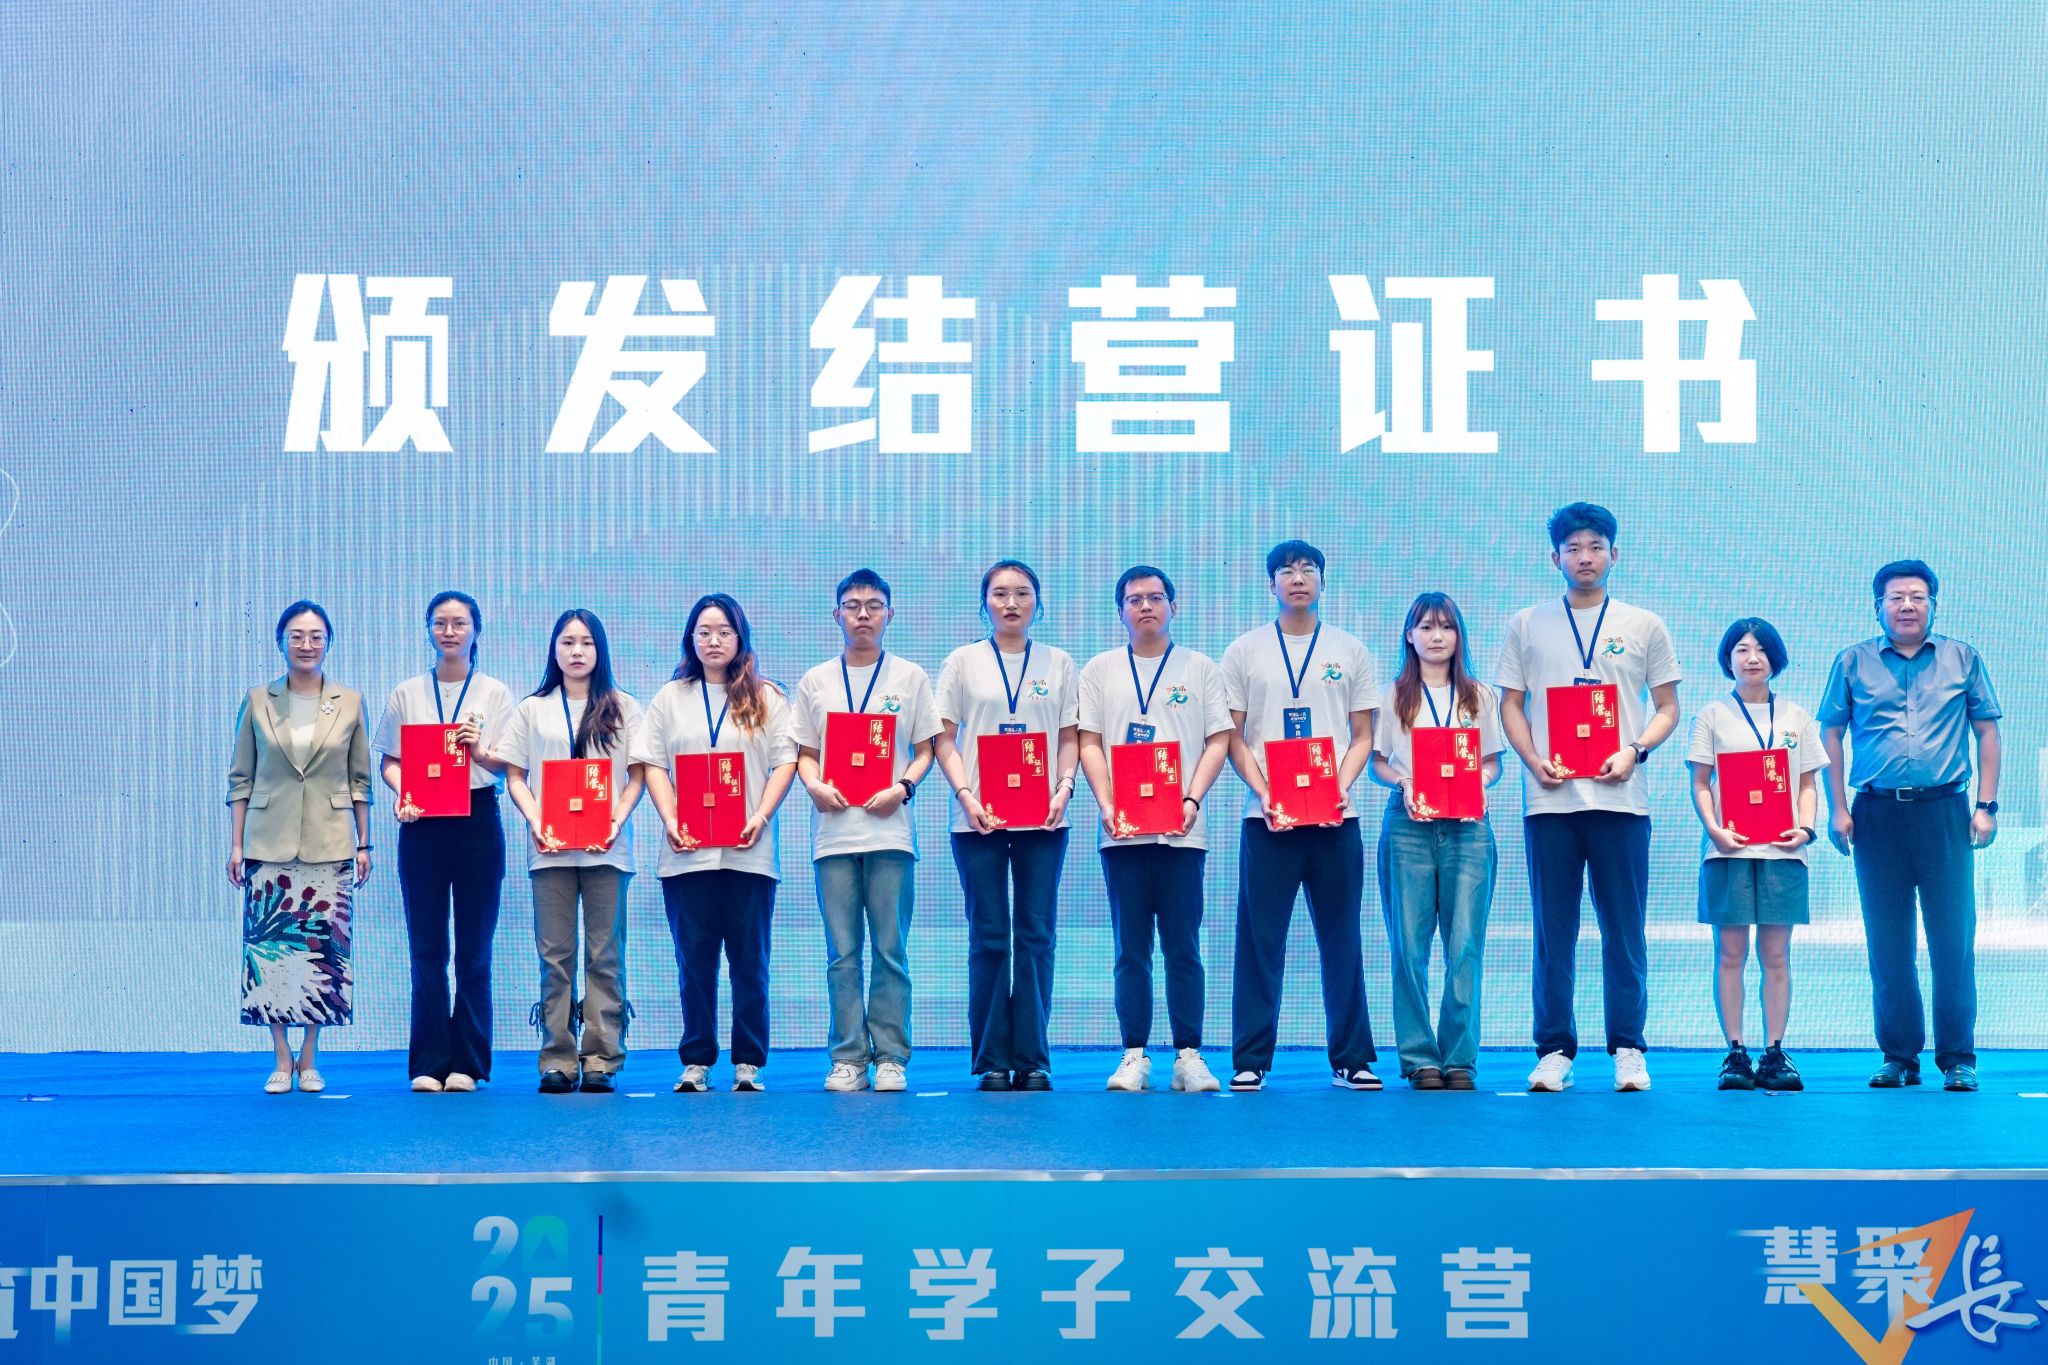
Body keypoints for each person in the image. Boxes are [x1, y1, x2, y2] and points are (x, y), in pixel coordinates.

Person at [1497, 502, 1680, 1094]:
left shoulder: (1644, 624)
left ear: (1614, 554)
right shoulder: (1527, 623)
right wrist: (1533, 760)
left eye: (1596, 546)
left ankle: (1628, 1047)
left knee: (1624, 931)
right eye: (1573, 548)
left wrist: (1634, 751)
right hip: (1550, 801)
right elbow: (1510, 705)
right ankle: (1554, 1050)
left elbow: (1668, 707)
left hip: (1620, 800)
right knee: (1553, 933)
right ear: (1555, 558)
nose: (1585, 557)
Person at [1817, 560, 2002, 1092]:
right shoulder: (1852, 662)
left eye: (1917, 597)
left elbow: (1987, 733)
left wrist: (1987, 806)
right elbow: (1830, 734)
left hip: (1945, 812)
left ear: (1933, 605)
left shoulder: (1962, 658)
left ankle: (1958, 1057)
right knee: (1888, 942)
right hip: (1876, 814)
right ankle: (1899, 1056)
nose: (1906, 606)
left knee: (1953, 941)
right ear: (1878, 606)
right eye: (1895, 597)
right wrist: (1837, 808)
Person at [1219, 539, 1382, 1092]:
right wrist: (1264, 791)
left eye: (1308, 569)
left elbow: (1363, 736)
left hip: (1336, 817)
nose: (1297, 578)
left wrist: (1338, 787)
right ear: (1271, 584)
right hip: (1267, 819)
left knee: (1342, 939)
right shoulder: (1244, 650)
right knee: (1260, 940)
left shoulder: (1349, 649)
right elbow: (1234, 736)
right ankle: (1250, 1059)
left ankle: (1353, 1059)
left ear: (1321, 581)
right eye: (1286, 571)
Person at [634, 594, 799, 1093]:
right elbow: (652, 764)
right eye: (704, 632)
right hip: (686, 854)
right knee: (695, 965)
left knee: (750, 965)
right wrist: (670, 818)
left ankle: (749, 1061)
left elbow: (785, 761)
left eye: (724, 631)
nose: (713, 641)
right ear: (691, 638)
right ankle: (697, 1060)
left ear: (739, 637)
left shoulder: (766, 697)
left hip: (749, 853)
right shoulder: (670, 698)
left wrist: (761, 815)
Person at [1077, 565, 1232, 1092]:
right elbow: (1089, 742)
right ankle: (1134, 1055)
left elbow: (1218, 740)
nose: (1146, 606)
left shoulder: (1200, 668)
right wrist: (1106, 802)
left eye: (1156, 597)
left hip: (1182, 832)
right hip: (1121, 832)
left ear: (1173, 606)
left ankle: (1189, 1056)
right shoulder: (1100, 670)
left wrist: (1191, 799)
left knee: (1183, 947)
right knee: (1130, 950)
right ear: (1120, 611)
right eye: (1134, 599)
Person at [789, 569, 941, 1093]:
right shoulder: (816, 681)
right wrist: (813, 786)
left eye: (874, 605)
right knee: (842, 953)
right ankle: (848, 1058)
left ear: (889, 614)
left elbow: (925, 750)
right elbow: (805, 753)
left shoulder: (910, 677)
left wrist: (902, 787)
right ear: (837, 614)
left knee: (890, 950)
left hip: (890, 833)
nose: (862, 614)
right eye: (852, 605)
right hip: (834, 834)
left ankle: (892, 1056)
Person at [937, 559, 1082, 1092]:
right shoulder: (962, 662)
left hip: (1044, 818)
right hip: (978, 819)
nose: (1011, 602)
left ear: (1037, 603)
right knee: (990, 935)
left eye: (1022, 592)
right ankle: (992, 1060)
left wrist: (1064, 788)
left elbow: (1069, 735)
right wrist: (966, 795)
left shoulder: (1059, 663)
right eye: (1000, 593)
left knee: (1037, 934)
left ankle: (1034, 1059)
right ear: (985, 603)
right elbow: (944, 737)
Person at [493, 609, 645, 1094]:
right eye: (567, 642)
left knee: (605, 955)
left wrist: (616, 822)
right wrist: (537, 822)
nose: (577, 652)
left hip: (607, 851)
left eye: (586, 643)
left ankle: (601, 1057)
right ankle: (557, 1057)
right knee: (555, 956)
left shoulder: (623, 707)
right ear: (554, 650)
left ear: (600, 650)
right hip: (551, 851)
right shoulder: (533, 709)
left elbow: (638, 775)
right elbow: (515, 775)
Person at [226, 600, 373, 1094]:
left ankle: (310, 1056)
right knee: (269, 952)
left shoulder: (349, 701)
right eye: (296, 635)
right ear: (281, 641)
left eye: (315, 636)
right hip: (267, 842)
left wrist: (365, 843)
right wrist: (236, 845)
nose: (306, 644)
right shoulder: (257, 700)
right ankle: (280, 1055)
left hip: (329, 842)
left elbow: (359, 780)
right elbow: (241, 779)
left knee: (321, 951)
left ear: (328, 642)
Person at [373, 591, 514, 1094]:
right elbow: (389, 760)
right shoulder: (406, 693)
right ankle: (429, 1062)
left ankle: (468, 1064)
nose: (449, 632)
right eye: (440, 623)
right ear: (429, 630)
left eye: (459, 623)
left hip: (477, 821)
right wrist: (402, 792)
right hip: (422, 823)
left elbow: (507, 765)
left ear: (476, 630)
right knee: (427, 948)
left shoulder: (495, 693)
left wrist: (480, 751)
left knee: (474, 950)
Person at [1368, 593, 1502, 1091]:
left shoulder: (1479, 696)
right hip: (1409, 825)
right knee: (1409, 946)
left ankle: (1460, 1058)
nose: (1437, 635)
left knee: (1465, 945)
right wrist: (1403, 780)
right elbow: (1378, 762)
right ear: (1410, 635)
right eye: (1426, 626)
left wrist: (1479, 781)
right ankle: (1419, 1057)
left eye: (1446, 626)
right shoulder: (1392, 695)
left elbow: (1492, 762)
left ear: (1459, 635)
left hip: (1467, 825)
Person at [1686, 618, 1824, 1092]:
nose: (1752, 658)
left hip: (1784, 853)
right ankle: (1736, 1052)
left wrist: (1806, 829)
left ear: (1775, 658)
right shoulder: (1711, 715)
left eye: (1762, 649)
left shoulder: (1797, 717)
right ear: (1728, 658)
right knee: (1730, 953)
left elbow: (1807, 783)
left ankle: (1775, 1052)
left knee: (1776, 954)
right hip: (1728, 851)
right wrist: (1715, 831)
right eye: (1742, 649)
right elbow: (1700, 783)